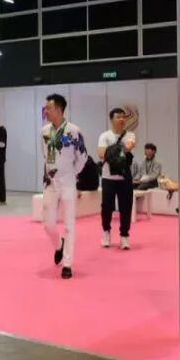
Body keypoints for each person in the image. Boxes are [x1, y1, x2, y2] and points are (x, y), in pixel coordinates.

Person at [41, 94, 88, 279]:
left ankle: (67, 263)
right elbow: (45, 155)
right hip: (50, 182)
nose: (46, 111)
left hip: (68, 183)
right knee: (48, 224)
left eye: (49, 108)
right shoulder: (44, 131)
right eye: (46, 108)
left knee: (69, 224)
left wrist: (72, 173)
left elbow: (82, 156)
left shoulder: (73, 131)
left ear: (59, 110)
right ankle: (58, 245)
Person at [98, 108, 136, 250]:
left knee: (126, 208)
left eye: (123, 117)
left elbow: (129, 147)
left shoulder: (130, 134)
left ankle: (124, 236)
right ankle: (106, 232)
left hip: (125, 177)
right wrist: (119, 150)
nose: (122, 119)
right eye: (118, 117)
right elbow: (101, 154)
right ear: (111, 119)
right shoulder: (104, 135)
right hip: (108, 177)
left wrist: (112, 151)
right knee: (107, 208)